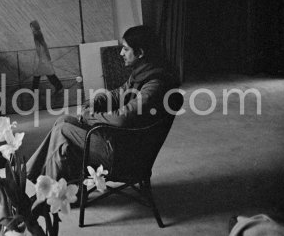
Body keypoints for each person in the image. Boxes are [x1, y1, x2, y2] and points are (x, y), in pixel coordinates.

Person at [26, 25, 179, 183]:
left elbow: (122, 118)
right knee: (62, 121)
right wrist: (93, 103)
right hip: (121, 142)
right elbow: (118, 94)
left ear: (140, 53)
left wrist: (89, 116)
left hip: (126, 157)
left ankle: (45, 190)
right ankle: (35, 180)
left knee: (64, 130)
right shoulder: (143, 73)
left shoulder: (155, 84)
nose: (121, 53)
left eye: (126, 49)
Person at [30, 20, 63, 94]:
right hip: (42, 55)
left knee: (40, 74)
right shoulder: (37, 33)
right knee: (47, 73)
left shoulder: (37, 33)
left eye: (32, 27)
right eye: (31, 27)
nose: (31, 28)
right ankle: (59, 87)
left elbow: (43, 44)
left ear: (35, 26)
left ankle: (34, 91)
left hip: (42, 56)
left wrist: (46, 55)